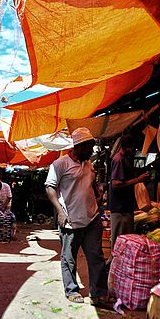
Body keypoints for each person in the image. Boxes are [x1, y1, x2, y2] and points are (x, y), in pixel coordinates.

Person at [45, 127, 108, 305]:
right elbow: (50, 187)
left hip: (91, 217)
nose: (93, 150)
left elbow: (91, 181)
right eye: (90, 147)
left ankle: (98, 293)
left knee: (96, 256)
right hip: (71, 220)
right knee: (69, 258)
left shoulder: (88, 163)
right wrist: (59, 211)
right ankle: (71, 290)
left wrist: (97, 190)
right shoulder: (60, 164)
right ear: (79, 146)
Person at [108, 135, 149, 253]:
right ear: (127, 147)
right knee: (119, 244)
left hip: (125, 208)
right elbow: (115, 184)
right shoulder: (118, 159)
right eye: (133, 148)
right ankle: (113, 267)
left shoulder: (125, 159)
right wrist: (137, 180)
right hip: (120, 209)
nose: (134, 151)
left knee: (125, 244)